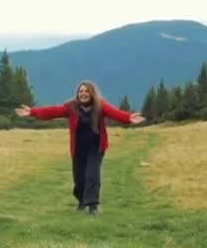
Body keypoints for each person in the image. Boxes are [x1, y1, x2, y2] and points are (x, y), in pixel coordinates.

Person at [15, 81, 145, 215]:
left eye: (86, 91)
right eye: (81, 91)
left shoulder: (100, 105)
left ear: (92, 93)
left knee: (92, 175)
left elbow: (114, 113)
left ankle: (93, 206)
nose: (83, 93)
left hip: (96, 146)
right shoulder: (71, 107)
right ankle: (82, 201)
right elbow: (52, 111)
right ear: (78, 94)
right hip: (78, 148)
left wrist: (129, 117)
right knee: (79, 179)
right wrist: (32, 112)